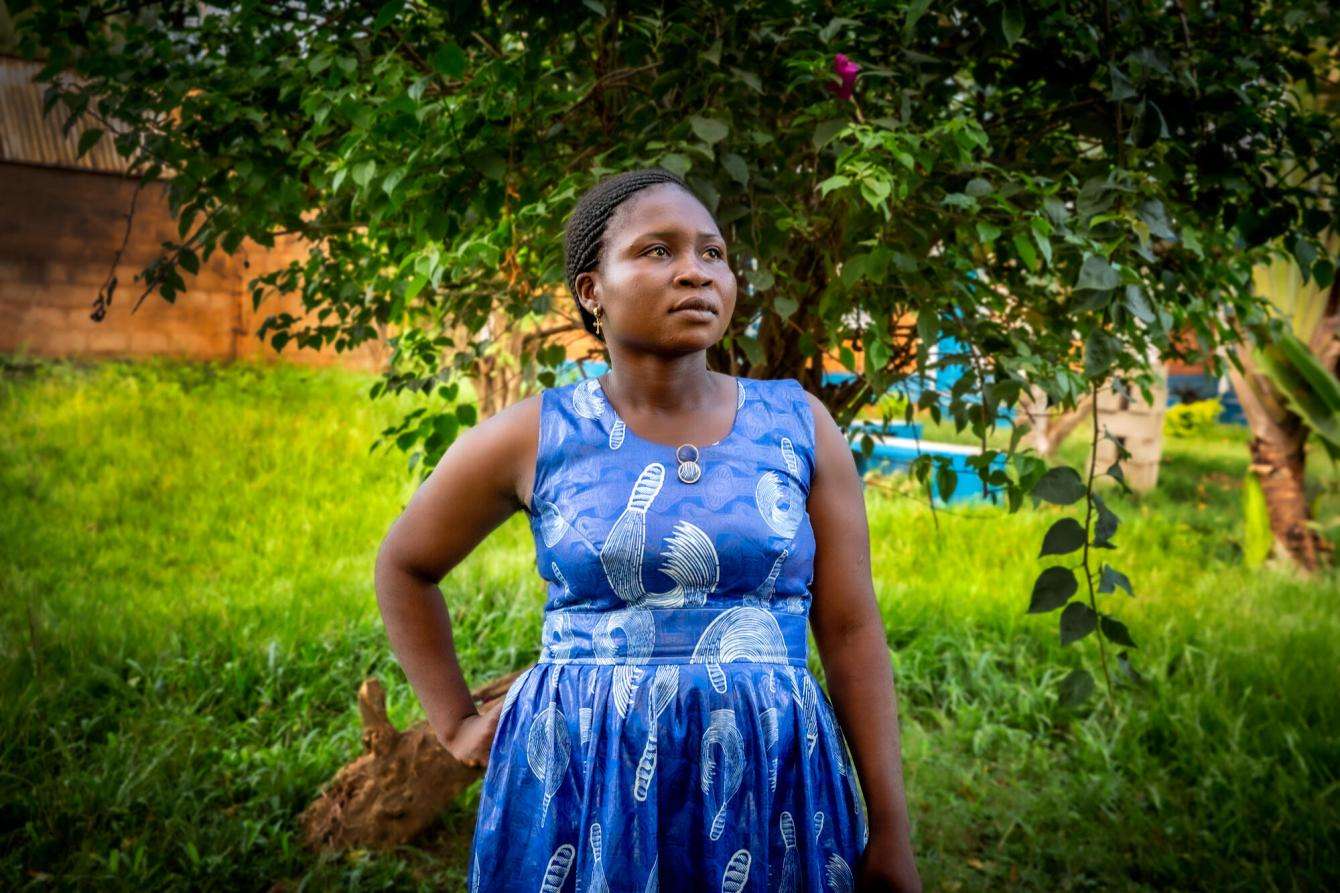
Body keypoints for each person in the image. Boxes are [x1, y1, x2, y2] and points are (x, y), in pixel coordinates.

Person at [374, 168, 920, 892]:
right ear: (591, 291)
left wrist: (890, 827)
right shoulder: (534, 436)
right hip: (585, 779)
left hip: (768, 776)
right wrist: (457, 724)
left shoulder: (799, 425)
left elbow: (850, 628)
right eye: (657, 251)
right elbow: (405, 564)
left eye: (712, 253)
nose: (694, 271)